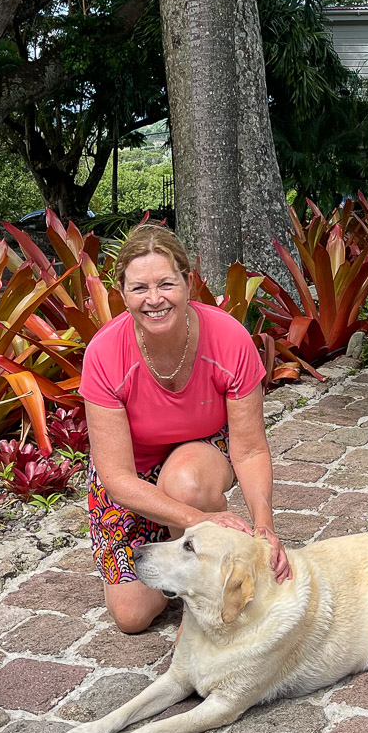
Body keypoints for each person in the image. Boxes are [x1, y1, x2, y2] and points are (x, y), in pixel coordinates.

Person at [80, 223, 291, 633]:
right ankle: (177, 541)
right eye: (139, 288)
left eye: (165, 284)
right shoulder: (104, 354)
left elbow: (248, 450)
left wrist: (264, 526)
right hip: (134, 478)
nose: (154, 299)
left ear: (188, 283)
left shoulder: (229, 339)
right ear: (121, 293)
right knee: (131, 617)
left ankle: (206, 602)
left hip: (199, 457)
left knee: (185, 480)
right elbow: (117, 478)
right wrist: (200, 520)